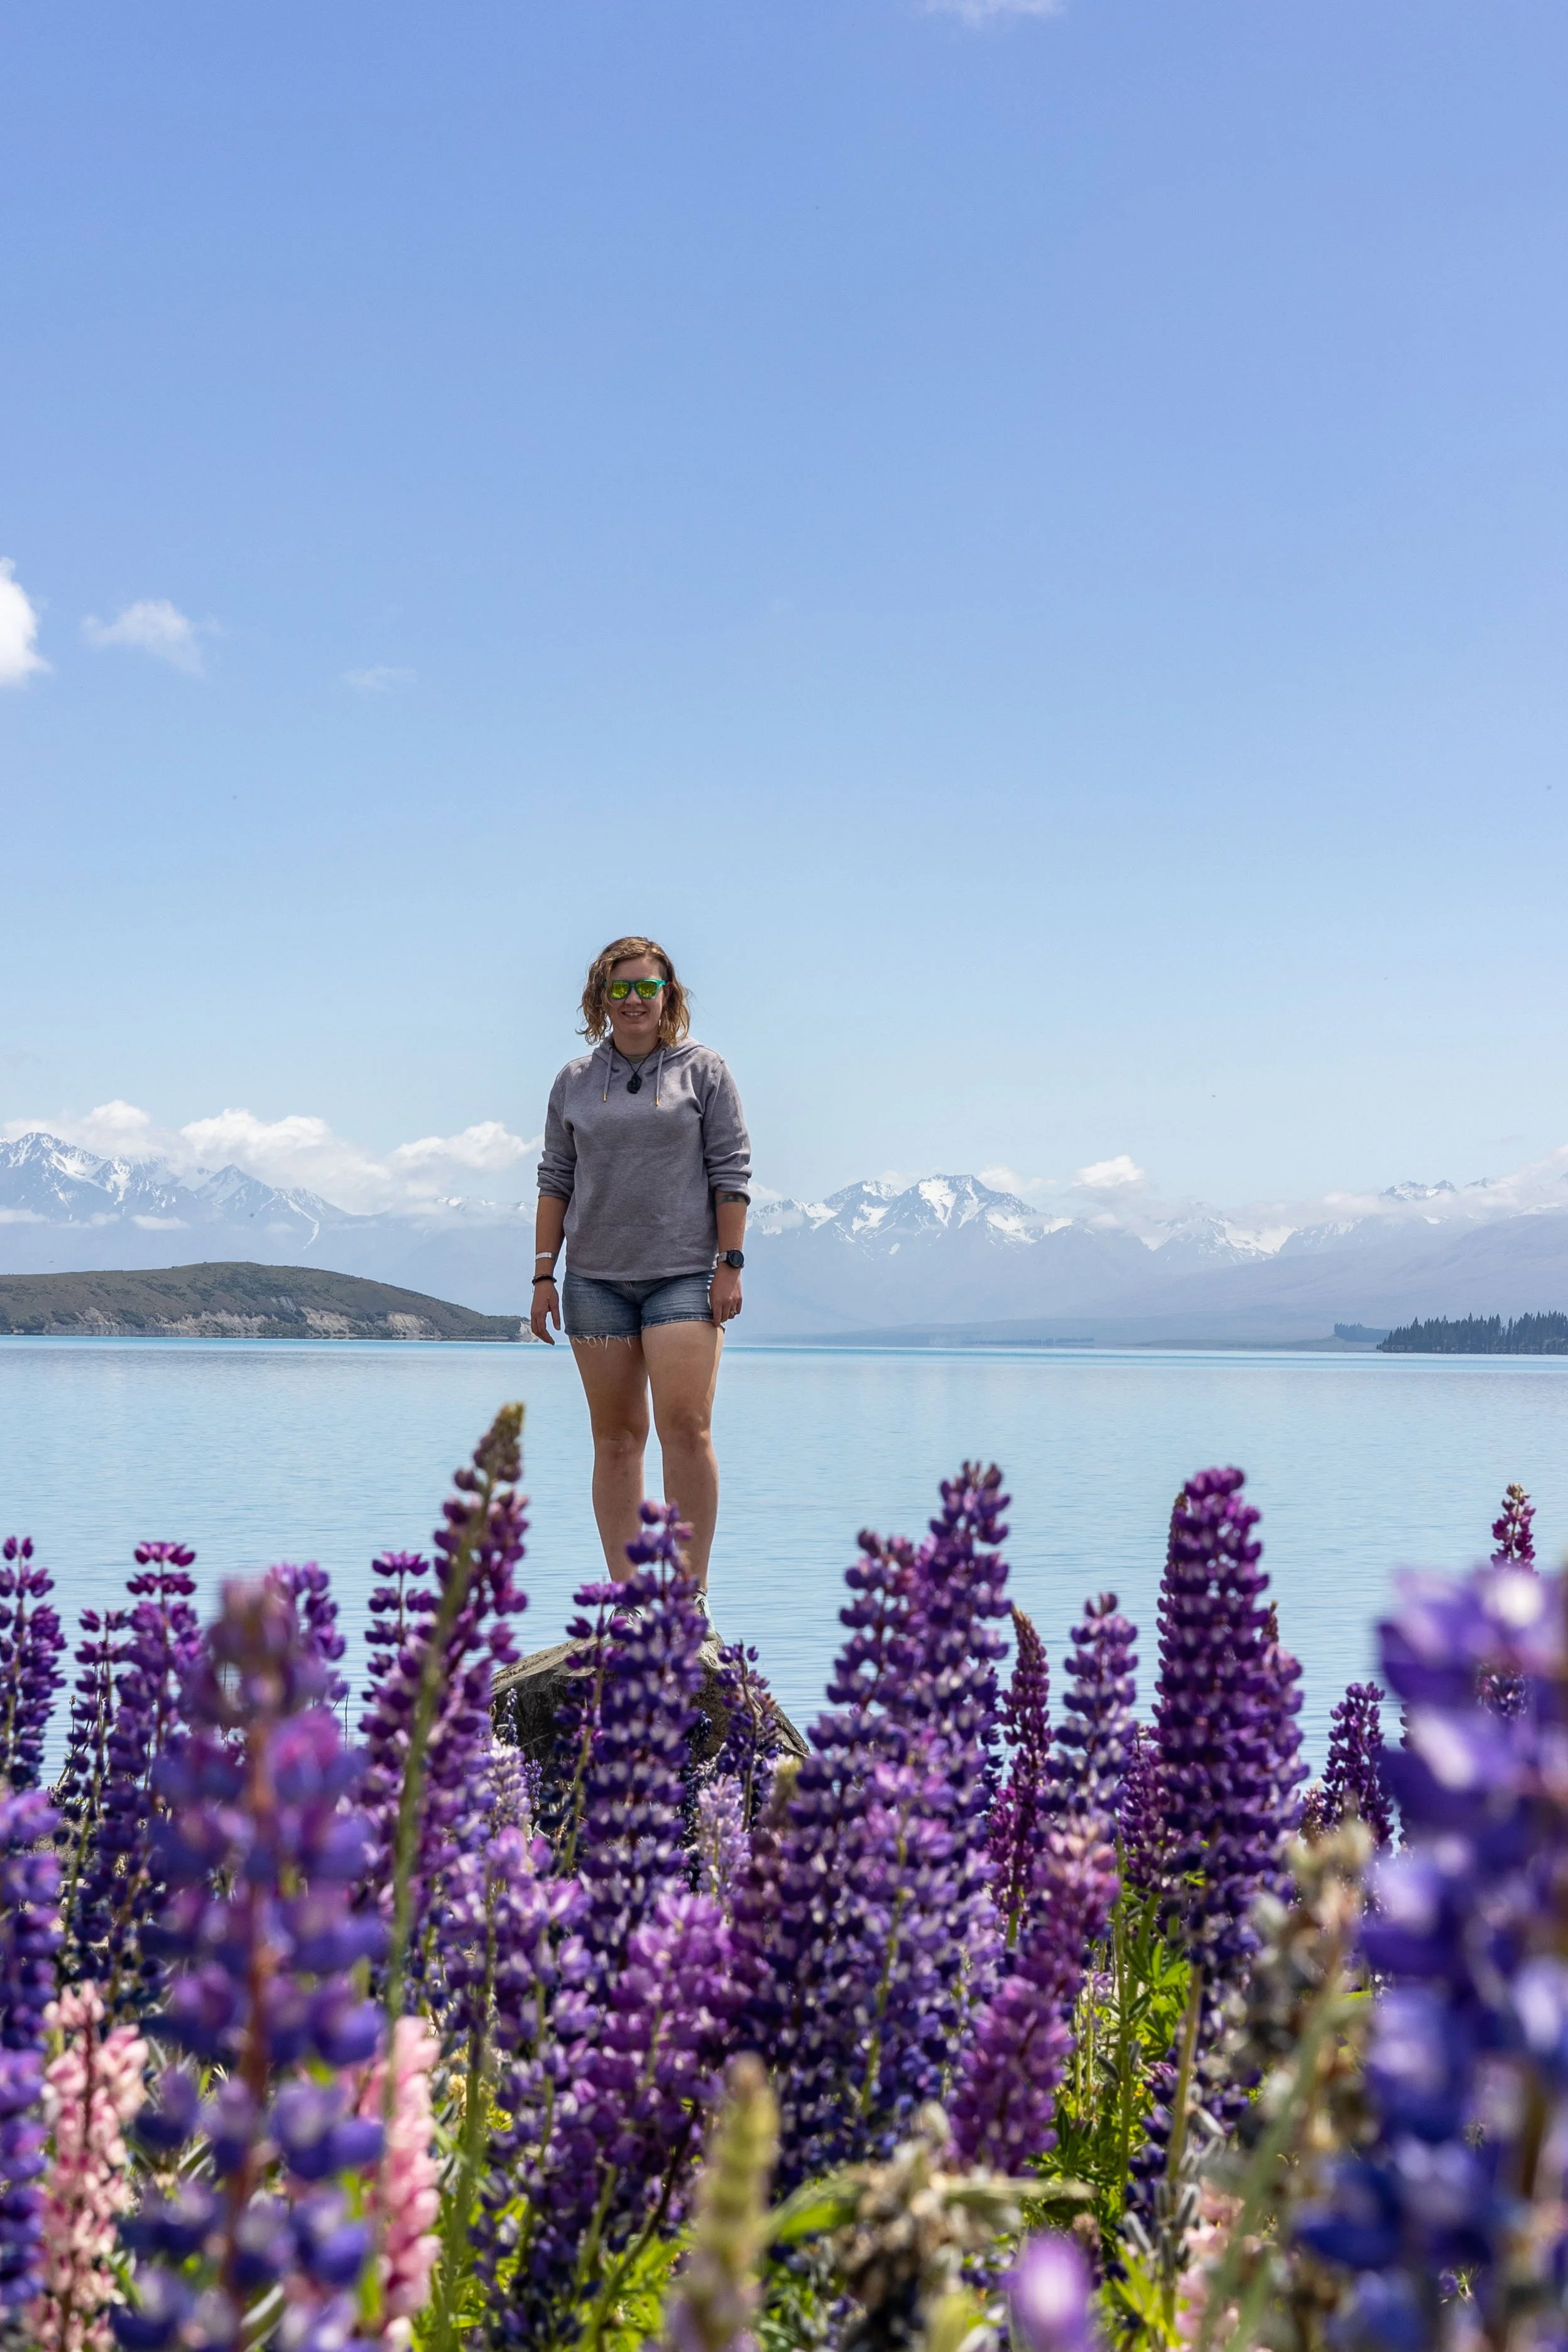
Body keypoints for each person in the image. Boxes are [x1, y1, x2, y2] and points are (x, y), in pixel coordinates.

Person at [531, 935, 750, 1607]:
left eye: (646, 988)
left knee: (687, 1427)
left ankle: (689, 1597)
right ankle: (628, 1604)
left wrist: (730, 1264)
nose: (634, 1000)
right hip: (595, 1280)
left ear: (668, 995)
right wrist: (544, 1274)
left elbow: (732, 1171)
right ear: (601, 998)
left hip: (684, 1274)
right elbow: (555, 1177)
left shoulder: (703, 1071)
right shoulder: (573, 1080)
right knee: (618, 1440)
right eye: (620, 988)